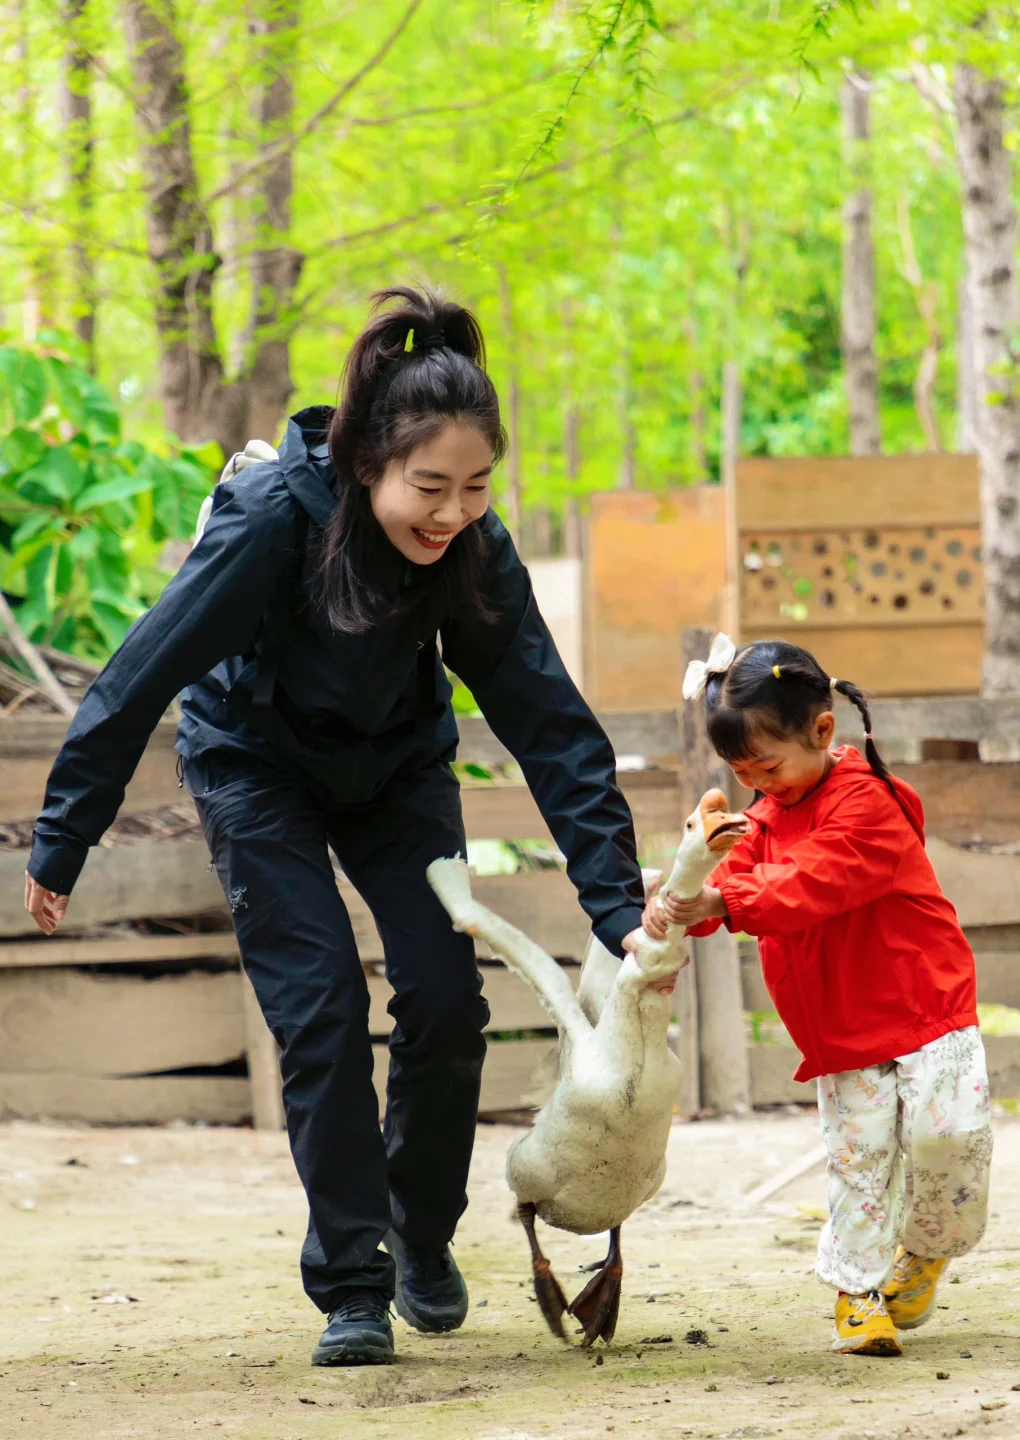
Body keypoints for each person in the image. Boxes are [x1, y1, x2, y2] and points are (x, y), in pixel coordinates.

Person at [24, 286, 645, 1367]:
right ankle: (352, 1280)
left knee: (449, 1000)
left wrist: (623, 914)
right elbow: (141, 673)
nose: (450, 513)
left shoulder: (473, 551)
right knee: (317, 1007)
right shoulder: (273, 521)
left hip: (397, 769)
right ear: (367, 464)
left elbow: (553, 727)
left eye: (476, 487)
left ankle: (421, 1234)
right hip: (253, 763)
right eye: (428, 488)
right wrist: (64, 836)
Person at [644, 634, 992, 1357]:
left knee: (948, 1140)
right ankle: (857, 1296)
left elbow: (817, 880)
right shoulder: (762, 819)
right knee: (857, 1156)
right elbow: (721, 883)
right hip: (840, 1026)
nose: (757, 783)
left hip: (927, 1004)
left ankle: (925, 1252)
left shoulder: (872, 802)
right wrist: (677, 899)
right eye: (741, 771)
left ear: (823, 730)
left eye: (766, 764)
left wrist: (719, 900)